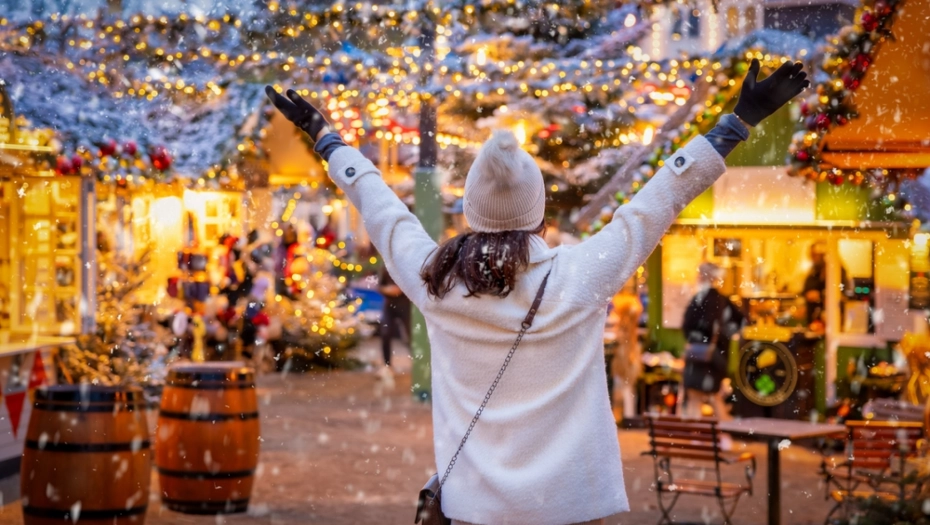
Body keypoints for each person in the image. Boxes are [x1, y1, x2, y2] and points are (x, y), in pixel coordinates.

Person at [266, 57, 807, 525]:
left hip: (475, 509)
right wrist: (737, 122)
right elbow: (658, 199)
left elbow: (381, 209)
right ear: (539, 215)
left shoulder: (436, 282)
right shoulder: (580, 276)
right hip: (570, 507)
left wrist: (328, 138)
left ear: (471, 212)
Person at [681, 262, 744, 419]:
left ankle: (696, 432)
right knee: (714, 396)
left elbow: (687, 326)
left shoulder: (699, 299)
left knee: (695, 397)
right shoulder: (723, 300)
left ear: (702, 277)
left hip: (698, 356)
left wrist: (697, 339)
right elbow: (741, 322)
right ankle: (724, 431)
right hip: (717, 357)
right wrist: (724, 338)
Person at [378, 264, 411, 382]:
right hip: (389, 306)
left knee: (411, 335)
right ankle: (387, 365)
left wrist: (401, 289)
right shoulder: (385, 267)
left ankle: (419, 362)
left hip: (406, 306)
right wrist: (387, 290)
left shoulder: (406, 266)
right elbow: (379, 286)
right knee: (385, 333)